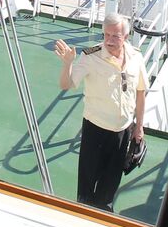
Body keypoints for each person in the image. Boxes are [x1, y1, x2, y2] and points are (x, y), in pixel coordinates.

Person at [55, 13, 147, 212]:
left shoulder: (136, 57)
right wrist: (67, 64)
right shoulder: (90, 57)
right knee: (87, 187)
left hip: (123, 131)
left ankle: (104, 215)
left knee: (110, 185)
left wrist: (139, 127)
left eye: (116, 36)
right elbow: (66, 85)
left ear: (126, 36)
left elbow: (140, 93)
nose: (109, 40)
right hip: (95, 130)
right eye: (106, 35)